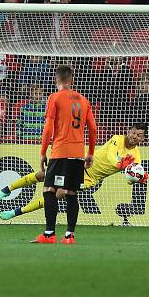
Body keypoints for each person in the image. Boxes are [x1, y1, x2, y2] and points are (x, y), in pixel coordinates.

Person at [0, 123, 146, 220]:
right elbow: (111, 156)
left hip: (88, 179)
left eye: (138, 135)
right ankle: (6, 190)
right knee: (42, 174)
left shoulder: (136, 156)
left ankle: (15, 212)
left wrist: (136, 178)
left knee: (57, 195)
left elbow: (128, 179)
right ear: (128, 131)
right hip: (80, 163)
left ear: (142, 139)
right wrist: (120, 164)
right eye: (133, 132)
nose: (134, 136)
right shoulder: (117, 139)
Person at [30, 65, 96, 244]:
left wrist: (43, 153)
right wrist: (90, 153)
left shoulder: (55, 97)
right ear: (71, 80)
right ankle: (69, 236)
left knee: (49, 190)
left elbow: (48, 128)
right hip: (78, 154)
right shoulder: (84, 100)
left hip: (60, 152)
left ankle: (49, 234)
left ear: (55, 80)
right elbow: (93, 128)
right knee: (72, 192)